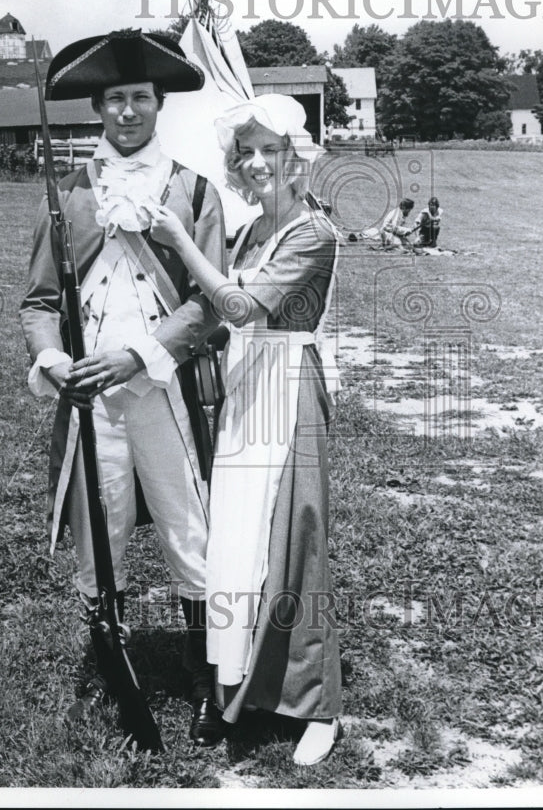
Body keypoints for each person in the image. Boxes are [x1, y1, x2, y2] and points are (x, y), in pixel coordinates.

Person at [19, 29, 227, 746]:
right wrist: (52, 363)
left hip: (165, 388)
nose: (128, 112)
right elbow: (41, 301)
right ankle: (112, 657)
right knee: (97, 527)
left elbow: (209, 304)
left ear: (159, 105)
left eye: (140, 98)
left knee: (189, 527)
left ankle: (209, 677)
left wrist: (139, 357)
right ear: (98, 109)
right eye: (116, 100)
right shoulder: (70, 195)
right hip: (89, 396)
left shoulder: (195, 190)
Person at [149, 93, 343, 767]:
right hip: (245, 391)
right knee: (240, 538)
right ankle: (247, 689)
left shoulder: (312, 234)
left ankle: (318, 707)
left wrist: (176, 238)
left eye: (271, 150)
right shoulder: (247, 232)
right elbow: (220, 317)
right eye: (247, 152)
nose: (257, 162)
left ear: (297, 160)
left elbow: (236, 303)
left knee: (294, 541)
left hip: (288, 390)